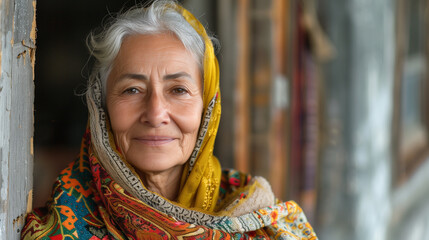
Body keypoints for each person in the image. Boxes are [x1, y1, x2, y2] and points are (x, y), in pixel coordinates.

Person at [21, 0, 318, 239]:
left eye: (178, 90)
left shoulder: (263, 224)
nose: (155, 114)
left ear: (207, 109)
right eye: (132, 89)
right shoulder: (59, 227)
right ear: (101, 106)